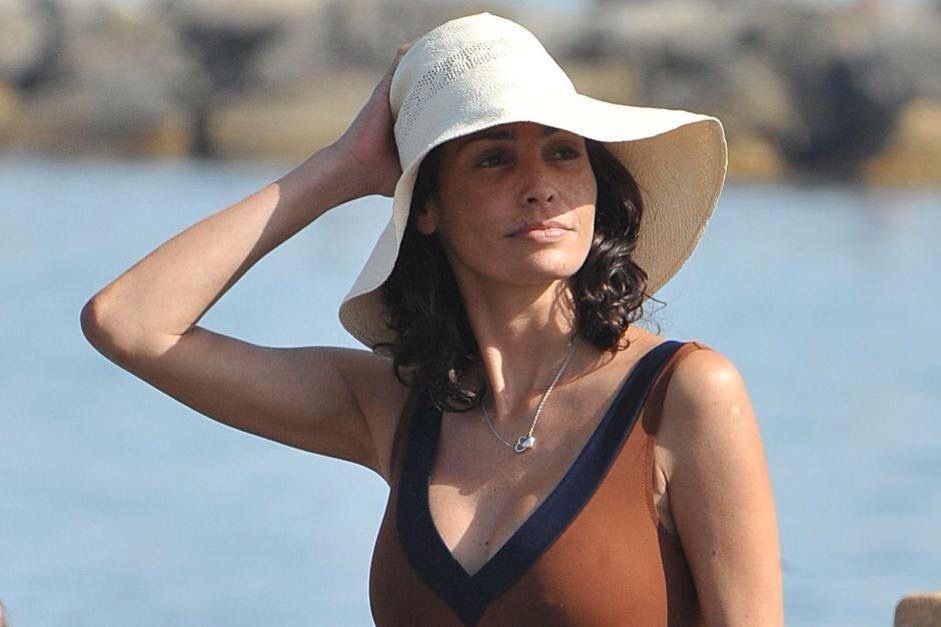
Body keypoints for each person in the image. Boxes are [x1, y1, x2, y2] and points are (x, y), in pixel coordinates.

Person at [81, 12, 782, 627]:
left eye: (563, 152)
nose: (539, 185)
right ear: (426, 207)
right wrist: (341, 168)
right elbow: (129, 323)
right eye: (494, 158)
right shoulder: (392, 408)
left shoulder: (681, 395)